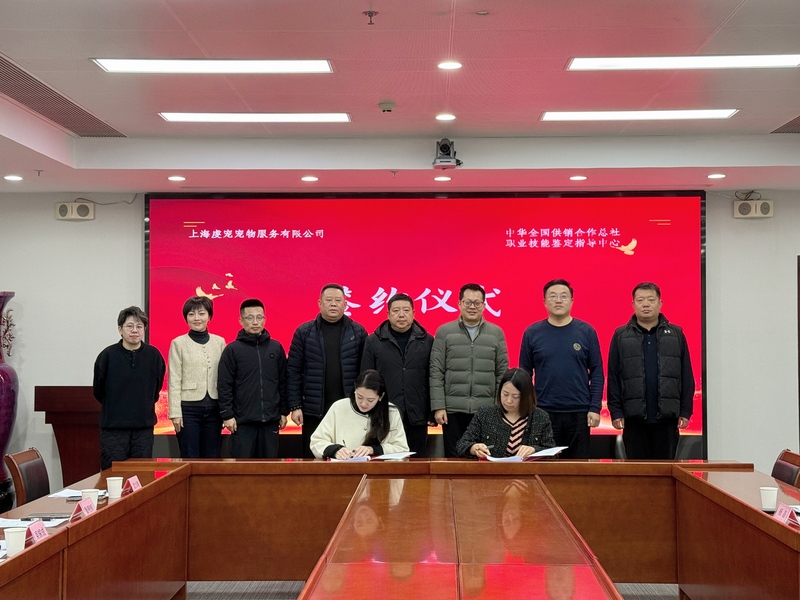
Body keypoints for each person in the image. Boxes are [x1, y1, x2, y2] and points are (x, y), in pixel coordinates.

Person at [607, 282, 694, 459]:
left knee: (665, 470)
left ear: (660, 303)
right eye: (640, 300)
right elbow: (614, 376)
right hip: (634, 419)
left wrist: (685, 411)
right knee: (637, 471)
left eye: (651, 300)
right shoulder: (620, 335)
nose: (646, 304)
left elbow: (686, 375)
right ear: (633, 304)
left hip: (667, 419)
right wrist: (615, 411)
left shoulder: (676, 334)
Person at [519, 279, 603, 459]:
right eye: (553, 296)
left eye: (563, 296)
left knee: (578, 467)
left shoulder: (586, 331)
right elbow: (524, 375)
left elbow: (597, 372)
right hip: (543, 411)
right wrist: (528, 409)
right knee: (546, 464)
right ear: (544, 301)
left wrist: (594, 407)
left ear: (572, 301)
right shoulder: (532, 333)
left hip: (579, 412)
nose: (558, 300)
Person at [288, 283, 368, 457]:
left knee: (349, 455)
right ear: (319, 303)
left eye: (338, 300)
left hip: (349, 407)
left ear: (345, 304)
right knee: (313, 456)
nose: (333, 304)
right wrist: (295, 406)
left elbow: (366, 372)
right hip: (313, 408)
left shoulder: (358, 332)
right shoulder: (304, 332)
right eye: (329, 300)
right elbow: (293, 371)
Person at [430, 283, 509, 458]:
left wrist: (499, 407)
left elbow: (502, 373)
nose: (472, 307)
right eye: (468, 302)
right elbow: (436, 371)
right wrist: (439, 406)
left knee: (484, 458)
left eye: (477, 303)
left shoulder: (496, 333)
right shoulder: (444, 331)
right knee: (454, 458)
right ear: (459, 304)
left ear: (484, 305)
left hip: (486, 410)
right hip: (452, 410)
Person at [93, 306, 166, 470]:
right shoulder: (107, 356)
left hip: (143, 428)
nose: (135, 330)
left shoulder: (154, 356)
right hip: (114, 428)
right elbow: (98, 391)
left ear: (144, 329)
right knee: (114, 475)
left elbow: (155, 389)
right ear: (120, 329)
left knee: (141, 476)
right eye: (130, 326)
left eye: (139, 326)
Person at [361, 293, 434, 457]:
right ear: (388, 314)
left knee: (417, 462)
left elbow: (433, 377)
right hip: (384, 413)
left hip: (417, 413)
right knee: (386, 460)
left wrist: (432, 411)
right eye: (396, 311)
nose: (401, 315)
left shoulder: (427, 341)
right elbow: (366, 379)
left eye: (406, 310)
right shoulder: (373, 341)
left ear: (413, 313)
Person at [217, 298, 289, 458]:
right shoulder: (232, 350)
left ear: (264, 319)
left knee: (269, 468)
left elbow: (283, 382)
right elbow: (224, 385)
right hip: (242, 422)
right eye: (250, 318)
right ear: (241, 321)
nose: (255, 322)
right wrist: (227, 415)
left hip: (270, 420)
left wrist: (284, 412)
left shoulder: (276, 348)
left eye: (259, 317)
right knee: (243, 468)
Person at [167, 296, 226, 458]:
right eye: (191, 314)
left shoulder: (220, 342)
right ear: (186, 318)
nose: (196, 318)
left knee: (211, 457)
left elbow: (225, 378)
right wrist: (175, 413)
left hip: (214, 409)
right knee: (189, 456)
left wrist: (226, 411)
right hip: (188, 411)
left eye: (201, 313)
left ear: (209, 316)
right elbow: (174, 380)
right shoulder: (178, 343)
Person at [456, 368, 555, 459]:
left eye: (515, 396)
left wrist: (535, 450)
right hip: (491, 470)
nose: (508, 400)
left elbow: (552, 453)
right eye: (505, 394)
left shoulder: (540, 417)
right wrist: (474, 448)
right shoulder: (485, 414)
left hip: (527, 471)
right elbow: (462, 444)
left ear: (526, 396)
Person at [309, 369, 409, 459]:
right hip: (343, 469)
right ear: (355, 390)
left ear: (381, 396)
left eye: (370, 400)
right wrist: (335, 450)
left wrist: (373, 449)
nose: (363, 404)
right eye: (359, 397)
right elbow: (317, 441)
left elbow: (402, 448)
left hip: (379, 470)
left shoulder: (391, 412)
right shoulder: (339, 407)